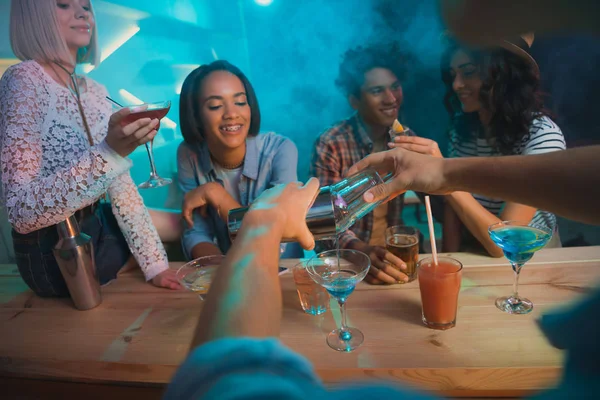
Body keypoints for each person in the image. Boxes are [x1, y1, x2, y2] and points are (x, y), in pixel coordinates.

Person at [0, 0, 181, 297]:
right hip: (52, 253)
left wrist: (156, 266)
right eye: (63, 4)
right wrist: (109, 152)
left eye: (86, 6)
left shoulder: (98, 91)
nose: (83, 12)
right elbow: (21, 212)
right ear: (34, 15)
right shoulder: (23, 80)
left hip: (98, 235)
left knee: (173, 226)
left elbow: (121, 185)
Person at [390, 34, 566, 256]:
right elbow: (453, 211)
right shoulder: (462, 130)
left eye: (469, 72)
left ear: (503, 75)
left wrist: (444, 173)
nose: (456, 85)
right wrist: (448, 261)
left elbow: (504, 243)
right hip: (474, 250)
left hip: (530, 260)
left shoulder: (542, 136)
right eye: (453, 75)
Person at [310, 41, 413, 285]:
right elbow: (322, 222)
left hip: (392, 259)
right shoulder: (331, 143)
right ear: (354, 100)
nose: (391, 98)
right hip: (344, 267)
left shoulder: (406, 138)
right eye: (377, 91)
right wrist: (360, 251)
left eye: (395, 87)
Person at [177, 60, 300, 260]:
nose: (232, 114)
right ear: (196, 116)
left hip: (283, 273)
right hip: (227, 271)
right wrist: (221, 276)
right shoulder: (188, 154)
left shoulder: (281, 150)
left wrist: (215, 194)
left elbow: (272, 237)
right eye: (215, 106)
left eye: (240, 102)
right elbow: (195, 232)